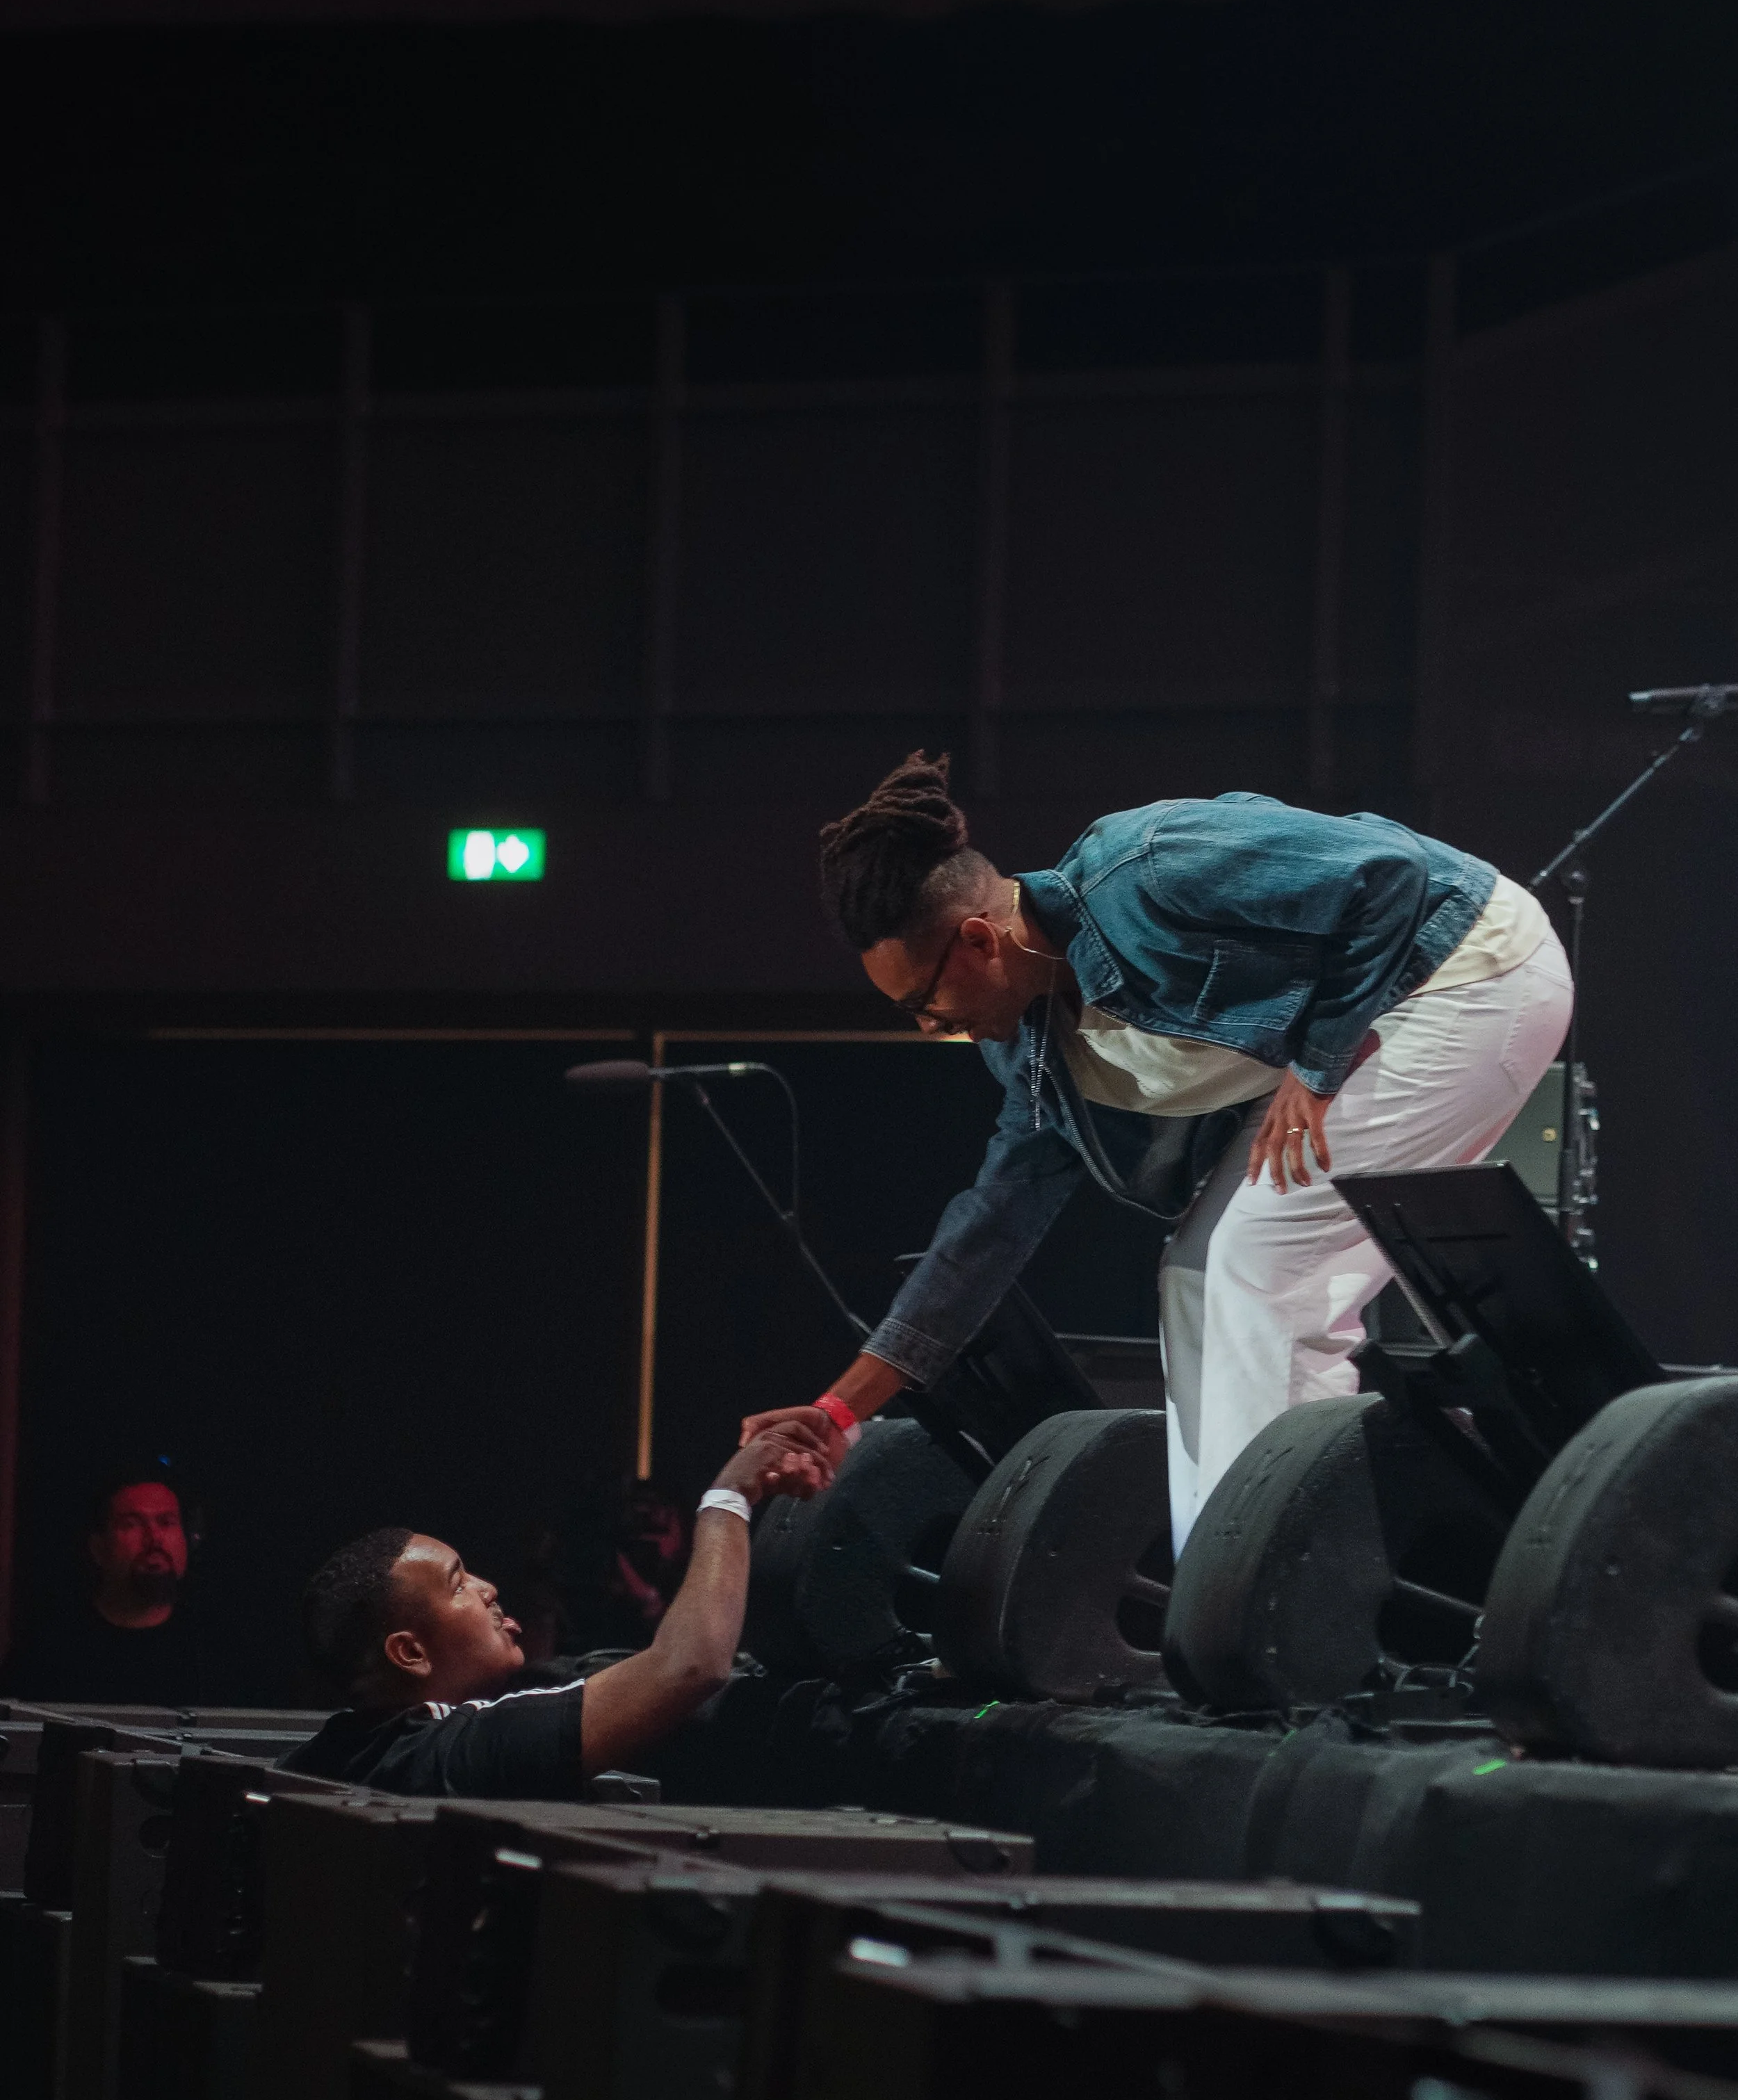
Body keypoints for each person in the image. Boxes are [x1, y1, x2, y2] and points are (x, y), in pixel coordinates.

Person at [740, 754, 1573, 1552]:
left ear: (977, 942)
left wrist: (1316, 1070)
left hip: (1471, 970)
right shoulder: (1031, 1052)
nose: (928, 1024)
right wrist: (839, 1412)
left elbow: (1390, 876)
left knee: (1263, 1260)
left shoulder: (1145, 865)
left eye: (923, 1000)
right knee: (1194, 1269)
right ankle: (1214, 1577)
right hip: (1371, 1028)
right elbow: (986, 1231)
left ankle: (1276, 1585)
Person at [284, 1412, 835, 1794]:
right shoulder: (455, 1750)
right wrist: (730, 1495)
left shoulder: (348, 1750)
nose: (488, 1588)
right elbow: (689, 1665)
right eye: (459, 1584)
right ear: (409, 1652)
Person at [8, 1461, 211, 1705]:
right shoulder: (51, 1651)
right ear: (99, 1548)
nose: (154, 1539)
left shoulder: (213, 1648)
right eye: (132, 1524)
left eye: (166, 1522)